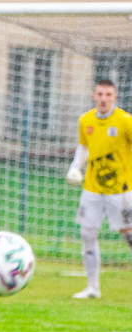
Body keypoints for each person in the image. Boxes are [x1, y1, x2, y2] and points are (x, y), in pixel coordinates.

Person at [65, 79, 132, 299]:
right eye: (100, 94)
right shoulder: (86, 120)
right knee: (87, 233)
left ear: (115, 97)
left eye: (108, 95)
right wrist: (75, 167)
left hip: (120, 191)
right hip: (92, 189)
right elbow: (84, 147)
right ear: (94, 96)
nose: (104, 98)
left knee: (129, 236)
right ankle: (93, 288)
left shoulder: (125, 121)